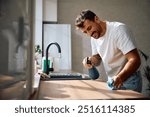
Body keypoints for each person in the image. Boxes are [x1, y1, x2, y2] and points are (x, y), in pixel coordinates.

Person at [75, 9, 142, 92]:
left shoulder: (118, 30)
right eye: (85, 32)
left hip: (129, 80)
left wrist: (120, 77)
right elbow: (97, 59)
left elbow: (135, 60)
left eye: (89, 28)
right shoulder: (94, 37)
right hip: (113, 81)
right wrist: (90, 61)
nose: (89, 34)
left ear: (96, 19)